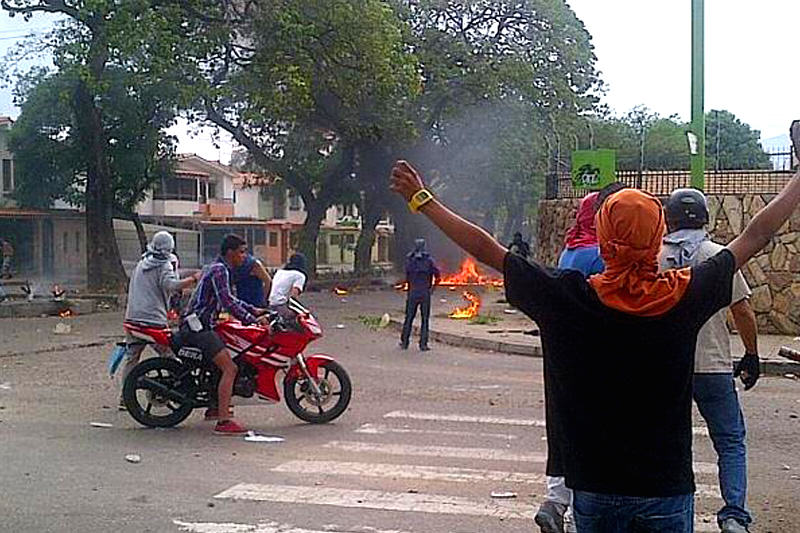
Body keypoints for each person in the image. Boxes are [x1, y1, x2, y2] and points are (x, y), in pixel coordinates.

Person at [389, 118, 800, 533]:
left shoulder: (565, 296)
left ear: (602, 241)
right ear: (658, 238)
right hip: (667, 489)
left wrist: (423, 200)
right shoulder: (685, 295)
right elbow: (757, 234)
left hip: (594, 488)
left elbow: (487, 250)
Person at [661, 188, 759, 533]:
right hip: (713, 366)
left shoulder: (653, 258)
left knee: (669, 442)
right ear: (705, 218)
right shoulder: (718, 256)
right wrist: (751, 354)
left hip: (665, 368)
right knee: (730, 440)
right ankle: (733, 515)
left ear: (668, 219)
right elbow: (743, 310)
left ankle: (675, 513)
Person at [536, 191, 605, 533]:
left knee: (563, 424)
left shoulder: (571, 250)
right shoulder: (599, 254)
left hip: (563, 351)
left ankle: (556, 500)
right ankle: (578, 514)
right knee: (589, 431)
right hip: (594, 351)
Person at [183, 233, 270, 435]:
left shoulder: (215, 267)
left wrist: (254, 310)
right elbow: (228, 303)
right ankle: (223, 422)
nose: (244, 257)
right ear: (230, 253)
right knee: (229, 368)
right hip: (200, 327)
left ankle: (214, 407)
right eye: (241, 252)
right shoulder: (220, 270)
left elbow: (229, 298)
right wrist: (253, 320)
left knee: (229, 356)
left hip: (200, 324)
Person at [120, 232, 199, 408]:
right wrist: (193, 279)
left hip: (132, 318)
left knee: (132, 358)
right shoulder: (163, 265)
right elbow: (170, 284)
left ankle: (125, 398)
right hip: (152, 320)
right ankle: (178, 389)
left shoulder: (142, 263)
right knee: (170, 355)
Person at [399, 238, 440, 352]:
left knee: (409, 318)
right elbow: (438, 276)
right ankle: (423, 344)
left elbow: (407, 275)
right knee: (425, 320)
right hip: (425, 294)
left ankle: (404, 342)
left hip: (412, 293)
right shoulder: (429, 261)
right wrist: (432, 289)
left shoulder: (410, 260)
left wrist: (410, 287)